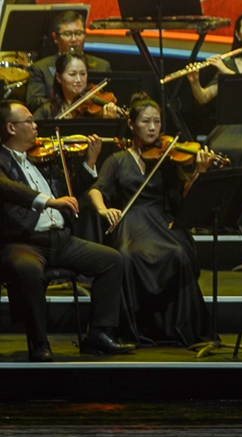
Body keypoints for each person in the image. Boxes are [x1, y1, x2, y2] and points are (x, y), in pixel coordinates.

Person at [0, 100, 133, 360]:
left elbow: (70, 194)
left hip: (60, 240)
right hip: (23, 242)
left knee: (112, 260)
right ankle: (39, 343)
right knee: (28, 270)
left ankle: (98, 334)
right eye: (29, 121)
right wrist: (47, 201)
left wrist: (90, 162)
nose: (35, 126)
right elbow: (6, 187)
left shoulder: (43, 158)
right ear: (11, 128)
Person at [88, 93, 214, 346]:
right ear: (131, 124)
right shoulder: (117, 159)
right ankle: (133, 327)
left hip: (159, 220)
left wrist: (199, 173)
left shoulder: (167, 159)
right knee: (126, 256)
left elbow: (184, 197)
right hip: (130, 220)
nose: (153, 127)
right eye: (146, 121)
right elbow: (96, 189)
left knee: (179, 253)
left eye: (157, 121)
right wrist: (103, 210)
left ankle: (176, 328)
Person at [26, 11, 111, 112]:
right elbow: (34, 102)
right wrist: (64, 103)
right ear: (55, 38)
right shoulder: (40, 68)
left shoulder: (102, 66)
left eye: (78, 33)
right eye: (67, 34)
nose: (74, 39)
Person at [186, 11, 242, 106]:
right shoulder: (229, 64)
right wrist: (195, 82)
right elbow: (204, 98)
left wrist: (226, 72)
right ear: (238, 35)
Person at [33, 51, 120, 120]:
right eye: (72, 74)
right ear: (59, 78)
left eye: (83, 74)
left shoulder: (94, 113)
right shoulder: (46, 112)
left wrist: (108, 121)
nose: (78, 80)